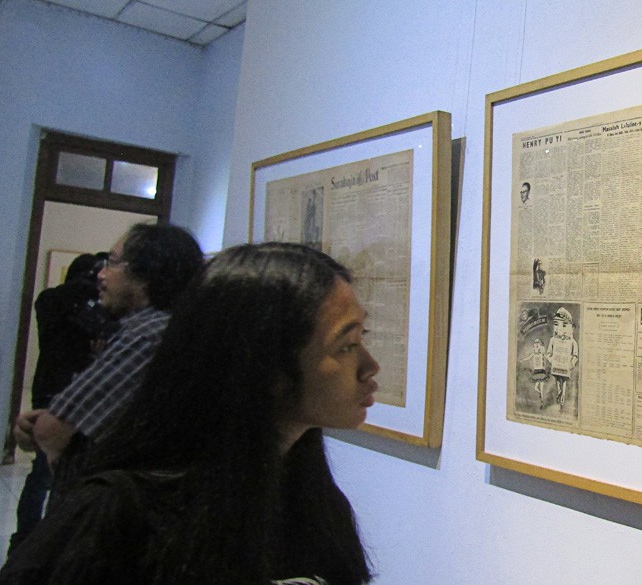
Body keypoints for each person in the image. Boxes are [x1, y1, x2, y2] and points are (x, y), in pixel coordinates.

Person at [0, 242, 378, 584]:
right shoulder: (117, 517)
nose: (370, 366)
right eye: (346, 345)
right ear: (262, 363)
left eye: (362, 338)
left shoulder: (313, 500)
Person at [13, 223, 205, 502]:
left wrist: (48, 436)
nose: (101, 275)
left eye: (112, 263)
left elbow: (51, 432)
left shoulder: (148, 334)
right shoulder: (170, 328)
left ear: (145, 274)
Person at [8, 254, 105, 554]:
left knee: (39, 474)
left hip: (46, 388)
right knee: (59, 476)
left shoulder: (49, 301)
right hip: (74, 393)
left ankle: (22, 539)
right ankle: (49, 541)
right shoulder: (82, 305)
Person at [545, 307, 578, 413]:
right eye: (556, 324)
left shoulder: (572, 342)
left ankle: (562, 400)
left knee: (563, 382)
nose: (560, 328)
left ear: (571, 328)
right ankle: (559, 398)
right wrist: (552, 361)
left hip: (565, 367)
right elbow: (548, 353)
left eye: (564, 325)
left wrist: (571, 364)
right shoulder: (552, 340)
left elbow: (575, 355)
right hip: (557, 366)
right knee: (558, 382)